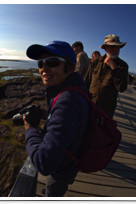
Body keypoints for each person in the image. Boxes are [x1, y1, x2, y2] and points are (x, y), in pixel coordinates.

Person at [25, 41, 90, 197]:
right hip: (69, 159)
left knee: (54, 190)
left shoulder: (67, 100)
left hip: (62, 168)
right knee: (53, 187)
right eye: (41, 63)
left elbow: (44, 162)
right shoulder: (75, 87)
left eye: (52, 62)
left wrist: (30, 129)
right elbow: (69, 119)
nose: (44, 68)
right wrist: (48, 113)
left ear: (71, 67)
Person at [84, 34, 128, 118]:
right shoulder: (97, 61)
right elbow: (87, 81)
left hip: (106, 109)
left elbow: (122, 88)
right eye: (112, 47)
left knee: (101, 131)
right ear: (105, 48)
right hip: (90, 103)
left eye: (118, 47)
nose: (115, 50)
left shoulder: (122, 66)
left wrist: (114, 67)